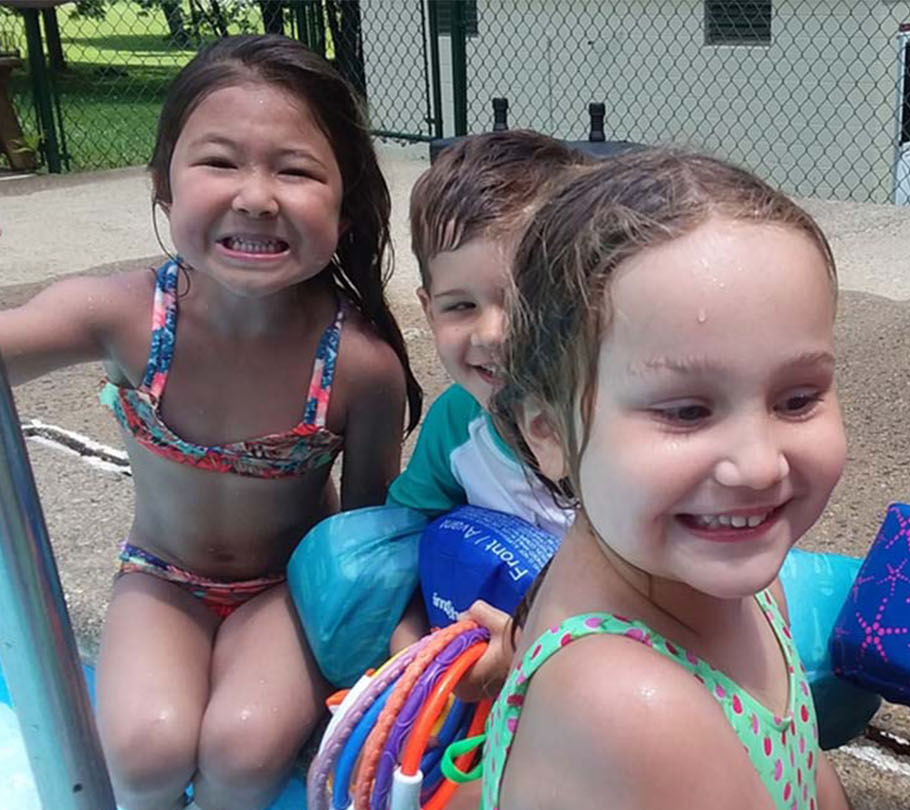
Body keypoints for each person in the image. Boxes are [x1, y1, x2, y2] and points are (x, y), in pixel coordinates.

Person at [0, 35, 421, 810]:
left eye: (295, 169)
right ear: (164, 183)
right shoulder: (121, 316)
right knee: (145, 749)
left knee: (244, 747)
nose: (256, 196)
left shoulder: (361, 366)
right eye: (220, 162)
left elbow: (367, 539)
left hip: (287, 589)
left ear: (346, 201)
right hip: (162, 580)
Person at [476, 149, 852, 809]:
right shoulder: (630, 709)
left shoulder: (747, 593)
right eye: (686, 411)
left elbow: (808, 773)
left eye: (797, 399)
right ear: (547, 431)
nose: (759, 463)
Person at [386, 131, 590, 681]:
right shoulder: (458, 423)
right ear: (429, 312)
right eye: (461, 306)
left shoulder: (614, 423)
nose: (493, 333)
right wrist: (413, 642)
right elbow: (410, 540)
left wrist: (524, 649)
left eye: (525, 301)